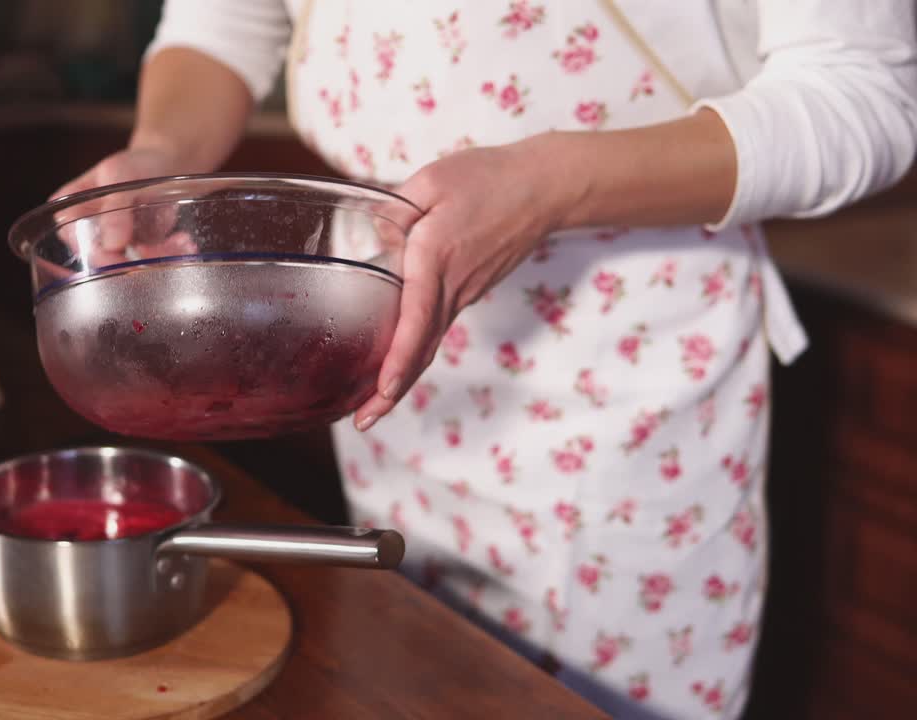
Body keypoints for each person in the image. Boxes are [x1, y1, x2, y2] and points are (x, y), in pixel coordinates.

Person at [54, 2, 917, 717]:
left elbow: (866, 94)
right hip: (389, 365)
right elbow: (225, 25)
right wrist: (159, 159)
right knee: (415, 681)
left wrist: (549, 186)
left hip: (630, 385)